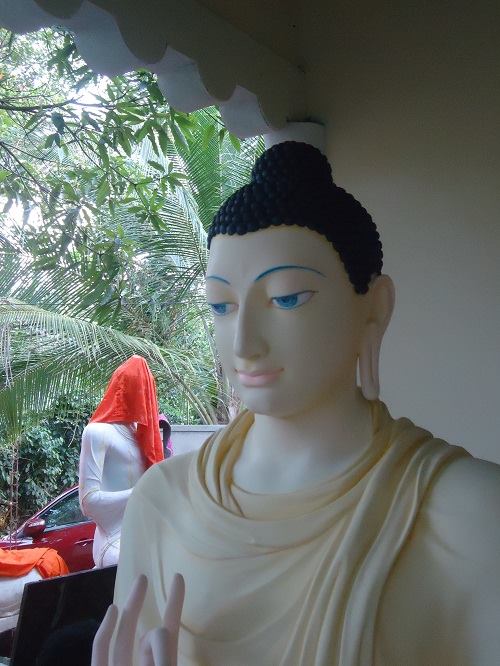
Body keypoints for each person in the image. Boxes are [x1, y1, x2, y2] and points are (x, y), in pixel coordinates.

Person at [96, 142, 500, 665]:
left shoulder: (472, 513)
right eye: (221, 305)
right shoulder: (162, 503)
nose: (244, 343)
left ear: (374, 308)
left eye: (286, 298)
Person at [79, 355, 164, 568]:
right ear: (120, 388)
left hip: (145, 530)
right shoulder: (97, 432)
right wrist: (142, 491)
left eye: (146, 387)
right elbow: (88, 502)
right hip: (114, 538)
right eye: (138, 386)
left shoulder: (144, 436)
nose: (144, 394)